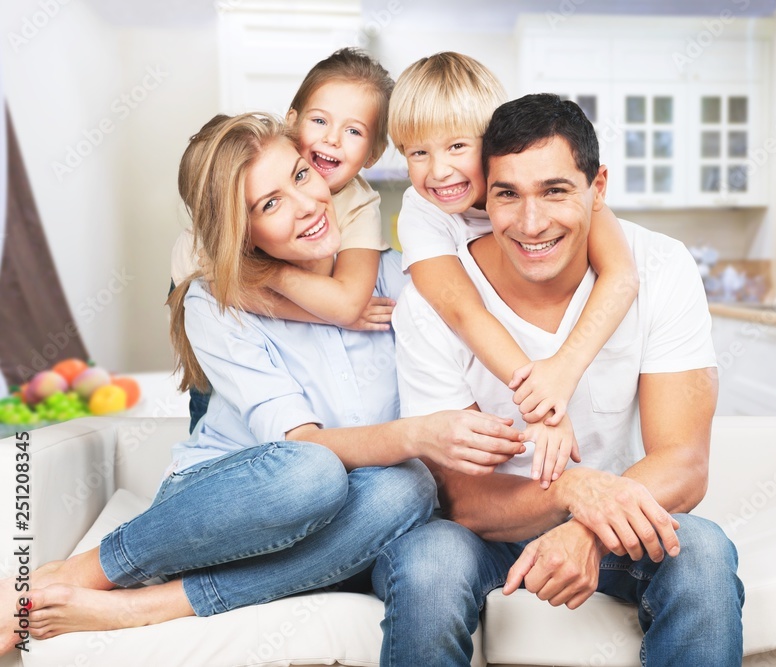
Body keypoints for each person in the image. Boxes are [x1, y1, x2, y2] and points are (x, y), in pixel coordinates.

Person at [1, 113, 525, 651]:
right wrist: (417, 434)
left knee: (408, 487)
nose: (306, 207)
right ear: (241, 230)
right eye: (268, 205)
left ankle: (154, 606)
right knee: (313, 473)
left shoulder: (404, 277)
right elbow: (304, 449)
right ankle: (85, 572)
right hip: (229, 505)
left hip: (350, 521)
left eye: (301, 176)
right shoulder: (217, 303)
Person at [375, 94, 744, 666]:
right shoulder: (433, 302)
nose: (531, 222)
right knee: (428, 562)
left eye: (554, 191)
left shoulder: (661, 266)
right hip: (486, 533)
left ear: (598, 188)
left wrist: (588, 529)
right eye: (507, 194)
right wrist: (570, 490)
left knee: (700, 551)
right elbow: (462, 498)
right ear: (482, 195)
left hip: (616, 518)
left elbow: (685, 463)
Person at [387, 53, 640, 487]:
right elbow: (463, 310)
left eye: (457, 146)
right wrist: (541, 404)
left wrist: (563, 371)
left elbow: (622, 276)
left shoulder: (556, 187)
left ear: (491, 144)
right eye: (418, 152)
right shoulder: (421, 212)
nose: (438, 170)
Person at [170, 47, 397, 432]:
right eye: (320, 120)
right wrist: (275, 277)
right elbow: (215, 291)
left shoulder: (359, 203)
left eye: (354, 130)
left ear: (373, 155)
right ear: (292, 123)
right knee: (214, 404)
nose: (332, 139)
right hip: (217, 314)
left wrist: (268, 275)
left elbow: (345, 304)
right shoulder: (218, 224)